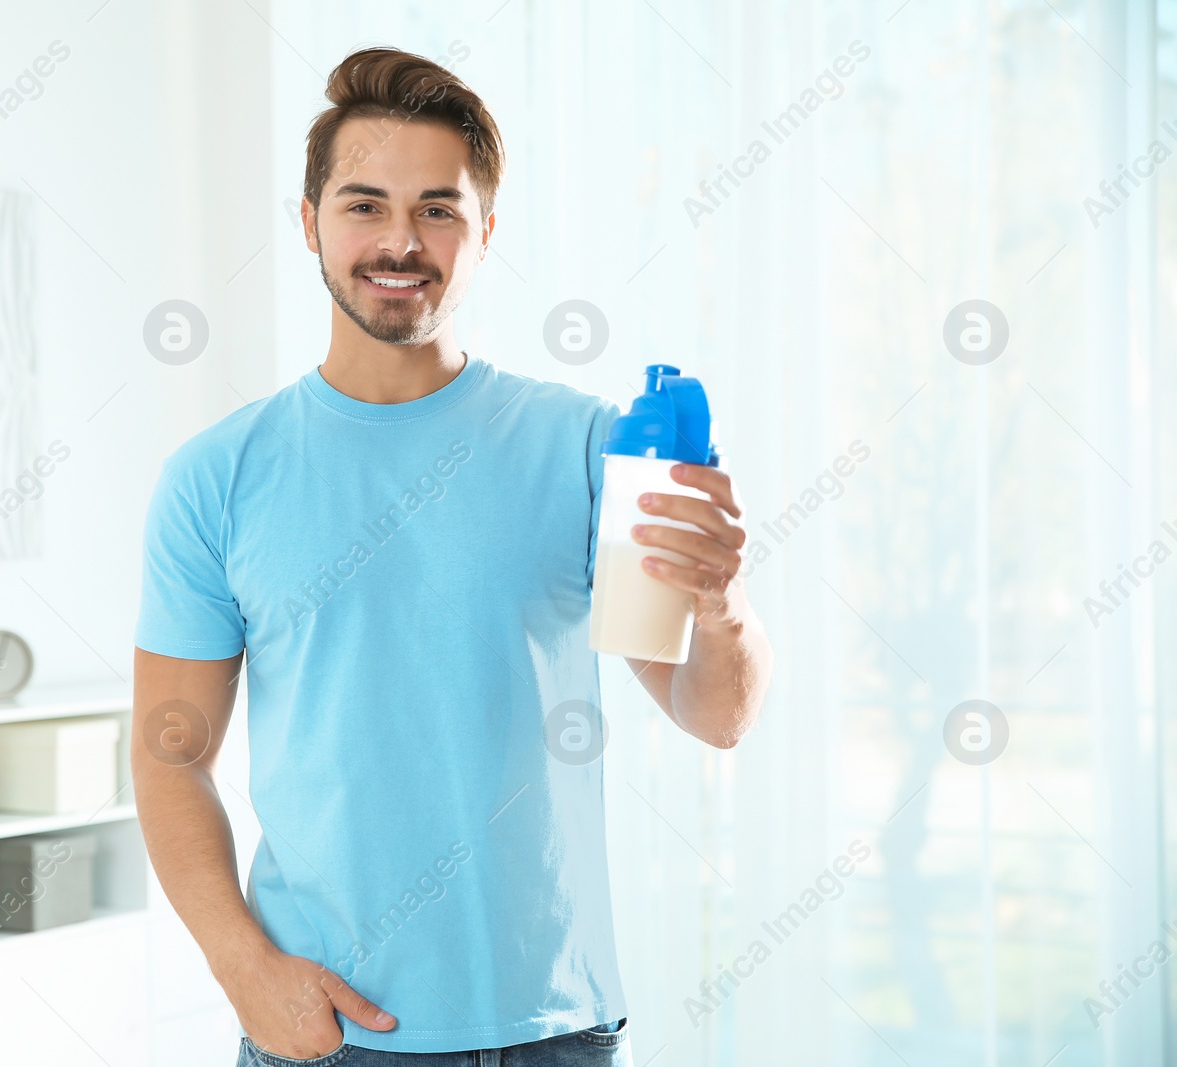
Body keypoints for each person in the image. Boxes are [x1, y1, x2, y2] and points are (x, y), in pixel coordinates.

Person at [131, 45, 773, 1066]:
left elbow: (714, 712)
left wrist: (723, 604)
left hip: (552, 1028)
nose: (399, 239)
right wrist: (244, 968)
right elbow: (171, 757)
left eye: (437, 207)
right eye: (363, 204)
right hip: (323, 1033)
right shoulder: (218, 475)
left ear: (483, 233)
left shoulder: (585, 448)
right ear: (309, 222)